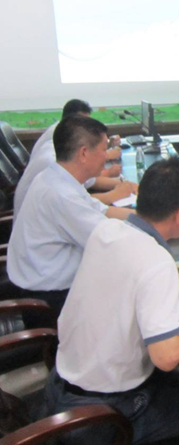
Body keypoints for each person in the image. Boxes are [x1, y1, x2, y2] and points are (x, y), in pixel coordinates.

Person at [45, 157, 179, 445]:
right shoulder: (156, 260)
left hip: (62, 387)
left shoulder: (107, 230)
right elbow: (166, 357)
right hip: (100, 416)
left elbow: (123, 280)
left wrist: (176, 280)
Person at [7, 116, 134, 314]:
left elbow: (103, 210)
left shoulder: (57, 177)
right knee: (131, 295)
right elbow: (110, 241)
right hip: (51, 299)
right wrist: (156, 228)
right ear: (83, 153)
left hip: (47, 281)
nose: (107, 156)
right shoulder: (60, 194)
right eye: (104, 149)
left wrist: (147, 216)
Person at [15, 98, 135, 213]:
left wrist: (127, 186)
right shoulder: (54, 163)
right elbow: (82, 203)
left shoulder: (61, 139)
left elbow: (88, 192)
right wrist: (115, 193)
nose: (88, 129)